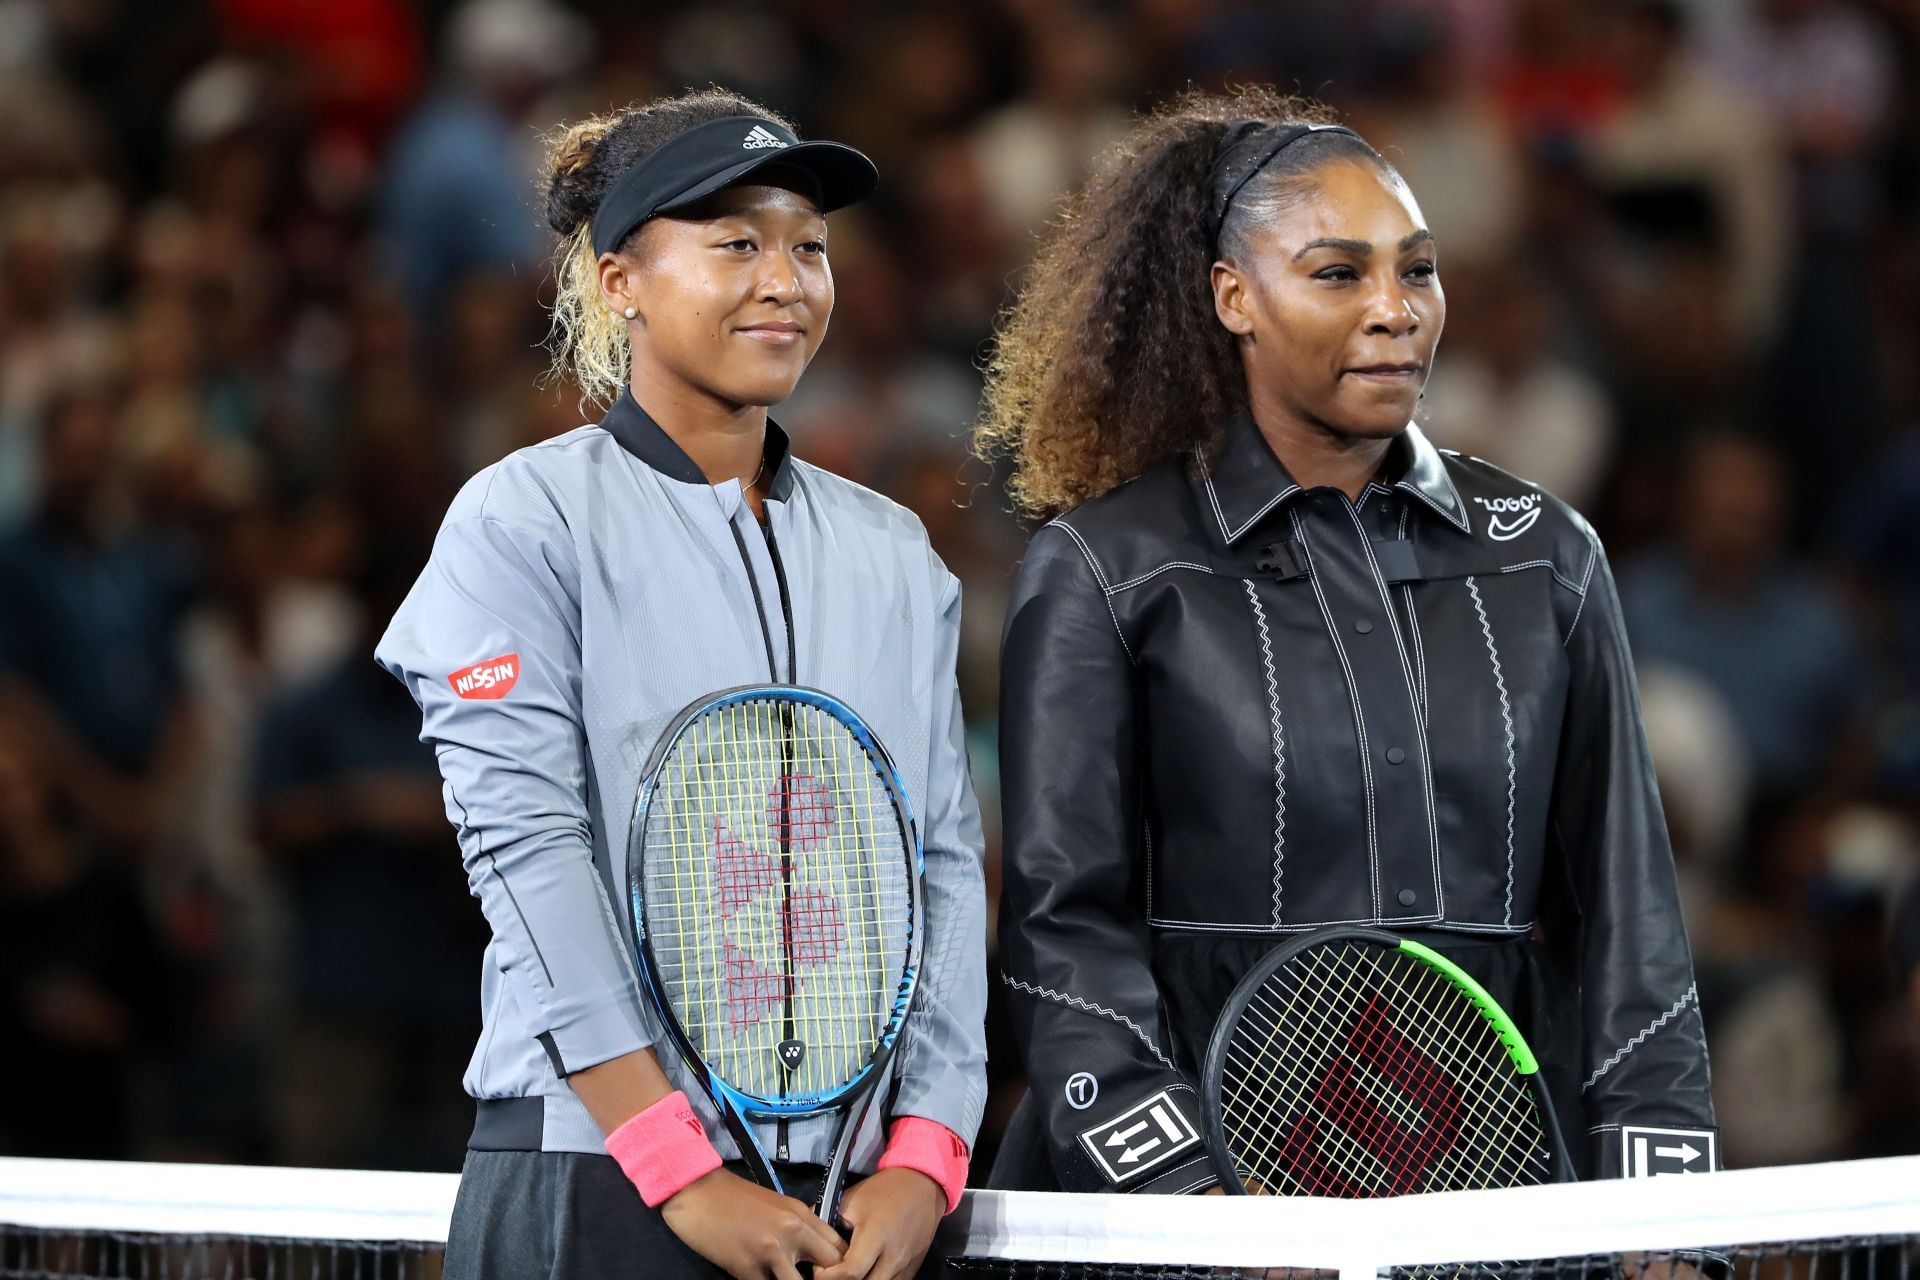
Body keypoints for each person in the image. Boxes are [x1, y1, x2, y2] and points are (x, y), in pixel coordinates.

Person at [976, 87, 1716, 1196]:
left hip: (1490, 1181)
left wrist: (1667, 1206)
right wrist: (1193, 1199)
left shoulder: (1550, 554)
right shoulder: (1104, 566)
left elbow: (1633, 922)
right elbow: (1063, 934)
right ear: (1233, 297)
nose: (1397, 309)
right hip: (1196, 1200)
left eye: (1416, 269)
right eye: (1338, 273)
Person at [376, 88, 987, 1279]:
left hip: (856, 1203)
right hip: (598, 1176)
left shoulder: (895, 551)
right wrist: (679, 1167)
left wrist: (929, 1146)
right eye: (736, 243)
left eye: (809, 246)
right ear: (620, 283)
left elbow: (946, 860)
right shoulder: (523, 517)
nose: (785, 278)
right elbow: (526, 854)